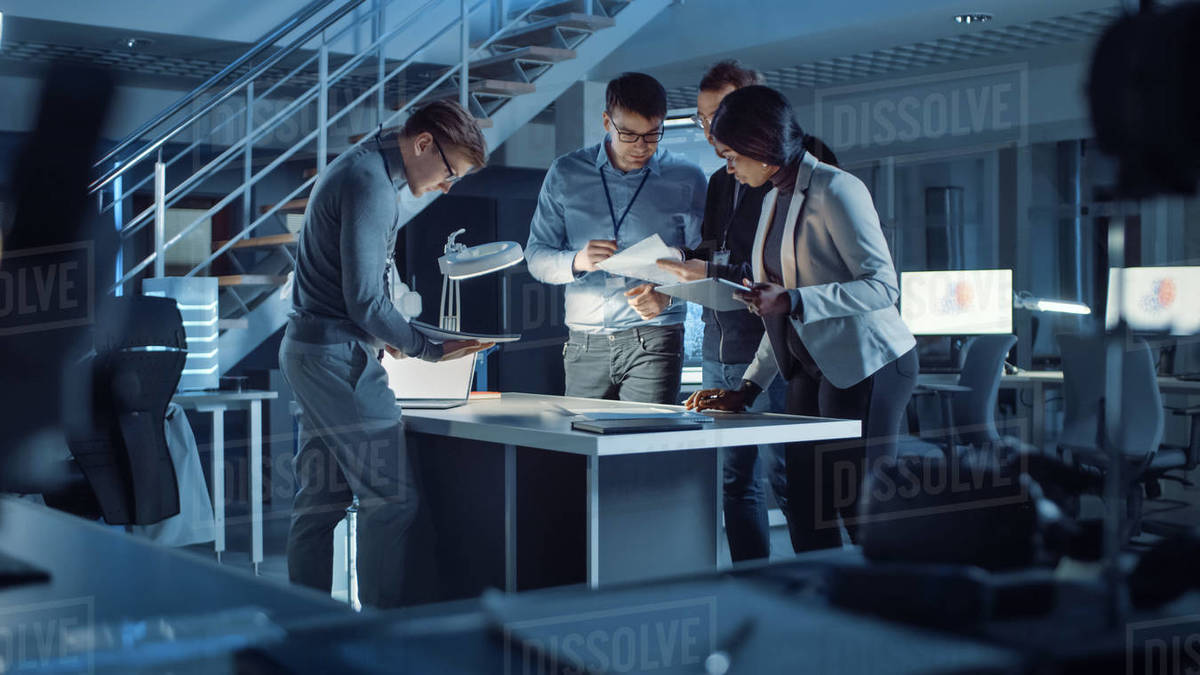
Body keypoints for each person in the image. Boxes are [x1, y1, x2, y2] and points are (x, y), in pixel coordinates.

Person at [683, 86, 918, 553]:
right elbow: (778, 310)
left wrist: (792, 300)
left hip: (870, 362)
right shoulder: (773, 200)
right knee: (806, 501)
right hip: (810, 363)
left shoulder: (837, 189)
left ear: (761, 148)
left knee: (855, 501)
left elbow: (883, 287)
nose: (728, 167)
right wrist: (747, 389)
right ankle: (821, 605)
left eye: (732, 156)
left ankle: (890, 609)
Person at [280, 100, 491, 608]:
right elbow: (367, 302)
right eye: (448, 172)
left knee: (319, 503)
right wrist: (428, 348)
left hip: (311, 351)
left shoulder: (361, 164)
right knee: (392, 500)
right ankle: (379, 636)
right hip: (338, 360)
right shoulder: (371, 184)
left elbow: (363, 298)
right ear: (423, 144)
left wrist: (405, 334)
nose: (447, 187)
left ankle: (303, 628)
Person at [648, 60, 790, 563]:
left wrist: (707, 264)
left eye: (720, 119)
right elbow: (713, 247)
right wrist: (679, 266)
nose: (711, 134)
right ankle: (755, 584)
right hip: (718, 344)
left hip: (771, 347)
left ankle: (810, 590)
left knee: (788, 475)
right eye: (705, 121)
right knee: (735, 481)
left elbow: (766, 263)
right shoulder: (719, 180)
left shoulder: (782, 178)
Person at [525, 72, 706, 404]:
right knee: (584, 449)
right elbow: (535, 256)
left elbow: (706, 261)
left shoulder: (688, 179)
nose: (641, 146)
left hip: (655, 337)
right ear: (607, 121)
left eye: (653, 135)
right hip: (584, 342)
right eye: (629, 134)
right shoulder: (566, 172)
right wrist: (577, 261)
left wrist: (669, 296)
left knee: (643, 447)